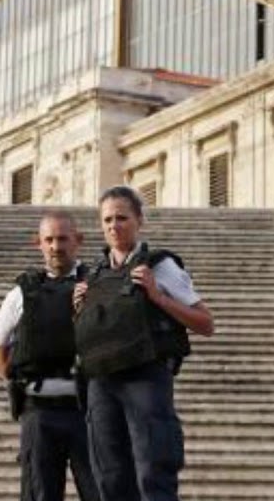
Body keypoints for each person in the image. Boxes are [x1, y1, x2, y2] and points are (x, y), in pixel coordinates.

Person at [73, 186, 215, 501]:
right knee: (109, 476)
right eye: (107, 219)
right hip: (102, 383)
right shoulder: (94, 274)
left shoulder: (159, 266)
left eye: (122, 217)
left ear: (139, 220)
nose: (114, 225)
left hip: (145, 378)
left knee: (152, 472)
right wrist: (80, 310)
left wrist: (158, 296)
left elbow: (205, 323)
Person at [0, 211, 101, 501]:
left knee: (100, 491)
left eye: (63, 238)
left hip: (88, 412)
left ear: (78, 241)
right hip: (38, 413)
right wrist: (19, 379)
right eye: (49, 239)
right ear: (37, 243)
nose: (56, 246)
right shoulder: (20, 293)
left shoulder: (99, 285)